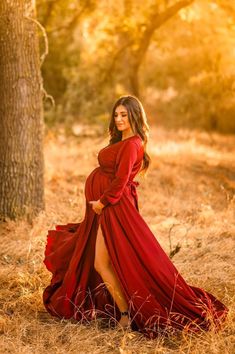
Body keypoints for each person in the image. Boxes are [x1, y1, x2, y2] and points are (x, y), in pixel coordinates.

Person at [43, 95, 228, 338]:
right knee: (103, 262)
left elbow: (120, 181)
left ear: (134, 115)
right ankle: (124, 311)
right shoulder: (125, 140)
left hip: (114, 210)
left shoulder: (132, 144)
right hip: (108, 210)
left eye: (124, 114)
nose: (119, 119)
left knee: (105, 262)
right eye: (116, 114)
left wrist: (102, 202)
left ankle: (126, 314)